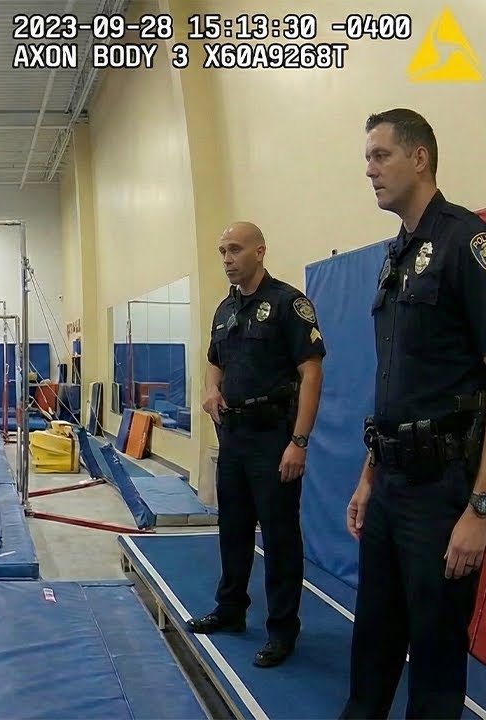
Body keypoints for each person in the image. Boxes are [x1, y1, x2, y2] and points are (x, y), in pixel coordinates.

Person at [341, 108, 486, 719]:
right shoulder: (397, 254)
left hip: (443, 490)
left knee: (434, 660)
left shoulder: (464, 243)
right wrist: (369, 477)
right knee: (372, 643)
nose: (369, 170)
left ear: (419, 157)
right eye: (367, 158)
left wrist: (480, 509)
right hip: (391, 483)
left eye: (380, 156)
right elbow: (394, 388)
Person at [190, 220, 326, 668]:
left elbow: (311, 373)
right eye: (222, 252)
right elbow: (215, 360)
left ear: (260, 251)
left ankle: (283, 629)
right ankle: (230, 609)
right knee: (232, 528)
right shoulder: (225, 309)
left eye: (235, 250)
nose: (227, 259)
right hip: (234, 435)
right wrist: (211, 389)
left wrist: (299, 441)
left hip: (274, 437)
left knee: (280, 537)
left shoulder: (289, 304)